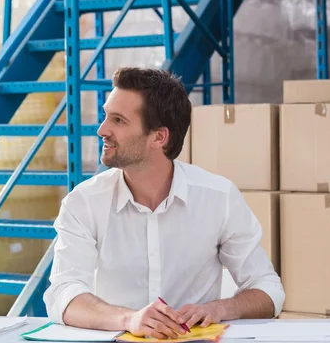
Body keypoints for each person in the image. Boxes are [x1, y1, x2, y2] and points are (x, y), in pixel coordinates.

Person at [43, 68, 284, 339]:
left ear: (159, 137)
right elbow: (63, 294)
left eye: (119, 120)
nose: (102, 130)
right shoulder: (83, 203)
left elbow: (269, 290)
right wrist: (129, 318)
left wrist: (220, 308)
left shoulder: (219, 198)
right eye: (105, 115)